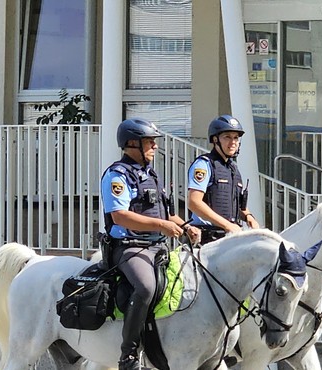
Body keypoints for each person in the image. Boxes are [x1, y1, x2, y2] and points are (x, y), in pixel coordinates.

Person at [100, 118, 200, 369]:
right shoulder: (117, 175)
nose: (155, 147)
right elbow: (119, 215)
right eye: (149, 142)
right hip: (128, 247)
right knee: (145, 287)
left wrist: (185, 227)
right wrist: (162, 226)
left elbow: (166, 215)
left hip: (158, 246)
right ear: (132, 144)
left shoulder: (152, 175)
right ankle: (129, 354)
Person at [187, 114, 260, 245]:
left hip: (230, 238)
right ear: (215, 140)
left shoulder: (233, 169)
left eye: (236, 138)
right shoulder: (204, 164)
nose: (233, 142)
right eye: (227, 137)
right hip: (207, 239)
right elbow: (194, 203)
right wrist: (227, 225)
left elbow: (236, 206)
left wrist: (249, 217)